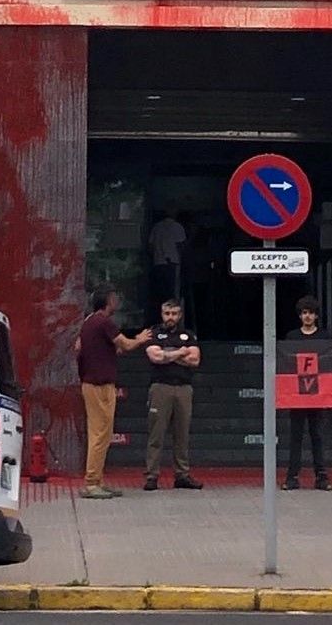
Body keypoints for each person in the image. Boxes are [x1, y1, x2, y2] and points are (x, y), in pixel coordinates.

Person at [76, 287, 152, 499]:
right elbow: (125, 345)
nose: (117, 302)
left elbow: (79, 347)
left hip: (91, 383)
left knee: (100, 432)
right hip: (100, 385)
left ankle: (97, 479)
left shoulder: (88, 322)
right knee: (101, 434)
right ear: (108, 301)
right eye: (114, 298)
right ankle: (92, 482)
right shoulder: (103, 322)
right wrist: (141, 338)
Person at [282, 295, 332, 491]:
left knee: (317, 435)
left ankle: (321, 476)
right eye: (304, 313)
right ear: (300, 316)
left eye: (310, 313)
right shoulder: (292, 337)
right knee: (296, 436)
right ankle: (292, 476)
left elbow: (330, 358)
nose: (307, 316)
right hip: (298, 393)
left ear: (316, 316)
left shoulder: (325, 337)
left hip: (317, 394)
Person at [143, 298, 203, 491]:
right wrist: (180, 353)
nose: (171, 317)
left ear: (180, 315)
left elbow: (194, 360)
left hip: (184, 387)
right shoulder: (154, 333)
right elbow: (155, 356)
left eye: (174, 313)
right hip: (160, 387)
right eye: (167, 313)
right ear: (162, 314)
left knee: (182, 434)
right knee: (156, 434)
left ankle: (182, 475)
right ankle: (152, 476)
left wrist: (169, 354)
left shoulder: (188, 335)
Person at [147, 208, 186, 318]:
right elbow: (181, 246)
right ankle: (172, 318)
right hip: (172, 264)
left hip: (158, 263)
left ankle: (159, 318)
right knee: (172, 295)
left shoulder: (156, 227)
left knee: (159, 294)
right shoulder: (177, 227)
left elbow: (150, 247)